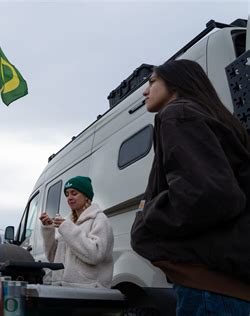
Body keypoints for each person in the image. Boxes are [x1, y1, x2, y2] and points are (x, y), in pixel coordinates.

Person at [131, 59, 250, 315]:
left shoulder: (177, 114)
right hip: (231, 287)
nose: (144, 91)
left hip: (207, 288)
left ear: (176, 83)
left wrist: (147, 213)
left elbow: (207, 195)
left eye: (152, 82)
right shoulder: (215, 118)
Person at [39, 176, 114, 288]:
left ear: (86, 196)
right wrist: (48, 229)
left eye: (74, 193)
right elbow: (53, 258)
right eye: (67, 194)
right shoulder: (67, 222)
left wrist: (67, 228)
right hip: (63, 290)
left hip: (89, 292)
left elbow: (95, 255)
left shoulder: (99, 219)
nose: (69, 198)